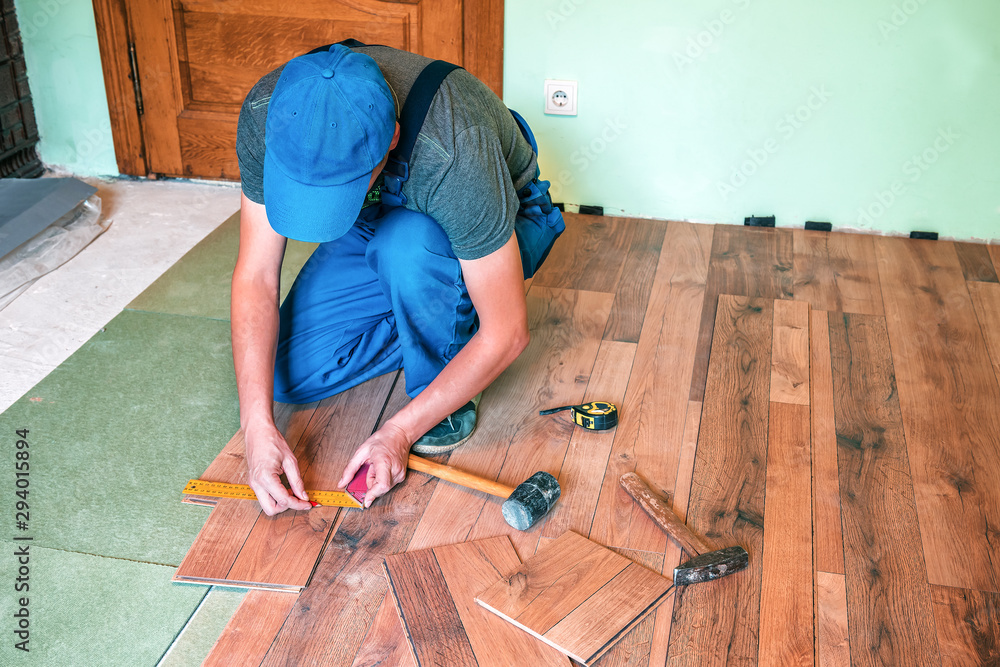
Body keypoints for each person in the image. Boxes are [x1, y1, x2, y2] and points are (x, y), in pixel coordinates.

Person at [232, 41, 564, 516]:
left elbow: (508, 333)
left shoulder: (455, 150)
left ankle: (448, 330)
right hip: (376, 216)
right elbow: (256, 276)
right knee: (290, 374)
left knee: (406, 247)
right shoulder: (270, 113)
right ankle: (431, 303)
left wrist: (399, 432)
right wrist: (256, 426)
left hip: (487, 215)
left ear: (392, 139)